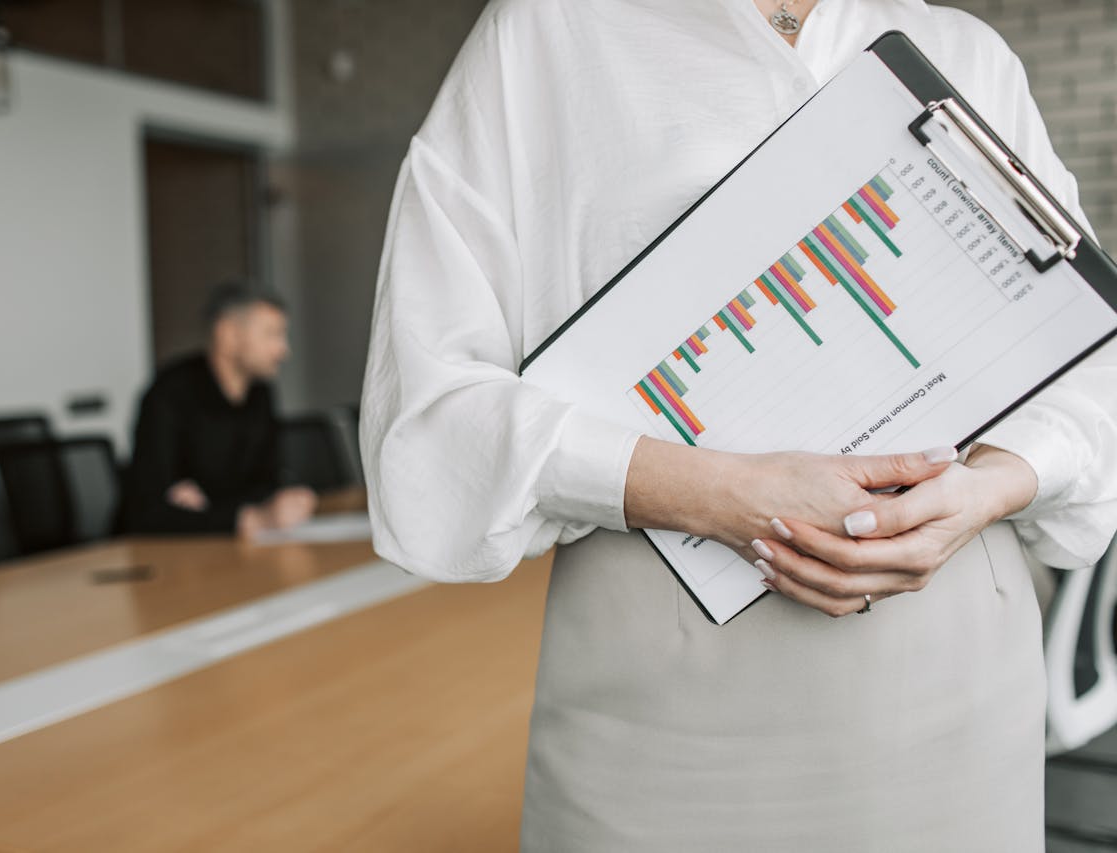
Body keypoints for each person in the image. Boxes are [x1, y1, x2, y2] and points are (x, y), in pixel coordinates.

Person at [361, 0, 1117, 850]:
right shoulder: (549, 31)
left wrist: (995, 482)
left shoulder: (965, 52)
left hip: (958, 658)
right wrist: (716, 493)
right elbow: (425, 412)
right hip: (668, 679)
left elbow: (1093, 359)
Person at [122, 283, 316, 538]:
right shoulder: (170, 393)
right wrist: (244, 518)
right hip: (163, 556)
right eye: (271, 334)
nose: (283, 350)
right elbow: (147, 510)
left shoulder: (261, 394)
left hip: (230, 546)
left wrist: (283, 500)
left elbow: (266, 481)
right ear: (228, 334)